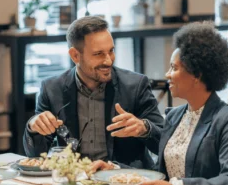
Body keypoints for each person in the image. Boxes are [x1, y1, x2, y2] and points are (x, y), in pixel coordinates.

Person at [92, 22, 228, 185]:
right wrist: (114, 171)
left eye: (174, 68)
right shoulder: (174, 116)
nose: (167, 74)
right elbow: (158, 174)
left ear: (197, 75)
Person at [23, 16, 164, 168]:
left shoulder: (135, 85)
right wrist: (33, 127)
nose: (108, 60)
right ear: (75, 55)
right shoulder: (52, 89)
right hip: (74, 179)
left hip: (123, 179)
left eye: (111, 51)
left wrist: (144, 128)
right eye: (99, 54)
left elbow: (165, 144)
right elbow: (36, 156)